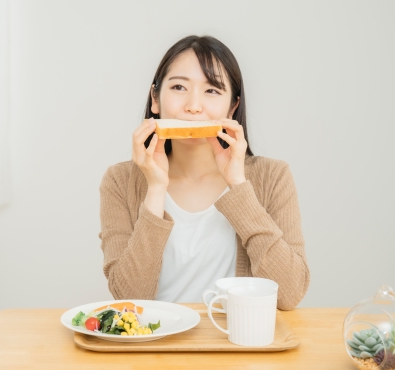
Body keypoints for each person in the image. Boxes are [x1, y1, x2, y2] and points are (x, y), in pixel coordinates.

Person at [99, 35, 309, 310]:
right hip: (156, 347)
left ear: (232, 107)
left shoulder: (273, 176)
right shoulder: (119, 181)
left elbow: (290, 294)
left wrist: (238, 186)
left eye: (212, 91)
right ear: (155, 100)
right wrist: (156, 188)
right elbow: (130, 298)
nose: (194, 106)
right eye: (178, 87)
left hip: (235, 346)